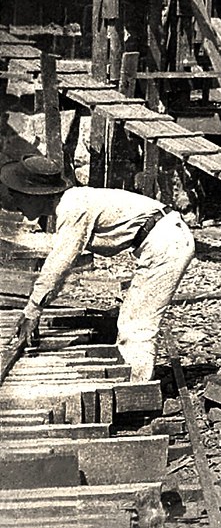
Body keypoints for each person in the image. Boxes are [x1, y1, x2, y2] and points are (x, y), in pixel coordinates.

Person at [1, 155, 195, 382]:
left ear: (34, 195)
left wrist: (32, 310)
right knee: (132, 319)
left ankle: (135, 389)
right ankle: (133, 378)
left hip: (166, 243)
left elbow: (59, 264)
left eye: (17, 195)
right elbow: (62, 259)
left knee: (136, 325)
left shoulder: (73, 208)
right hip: (164, 237)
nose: (14, 203)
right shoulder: (72, 203)